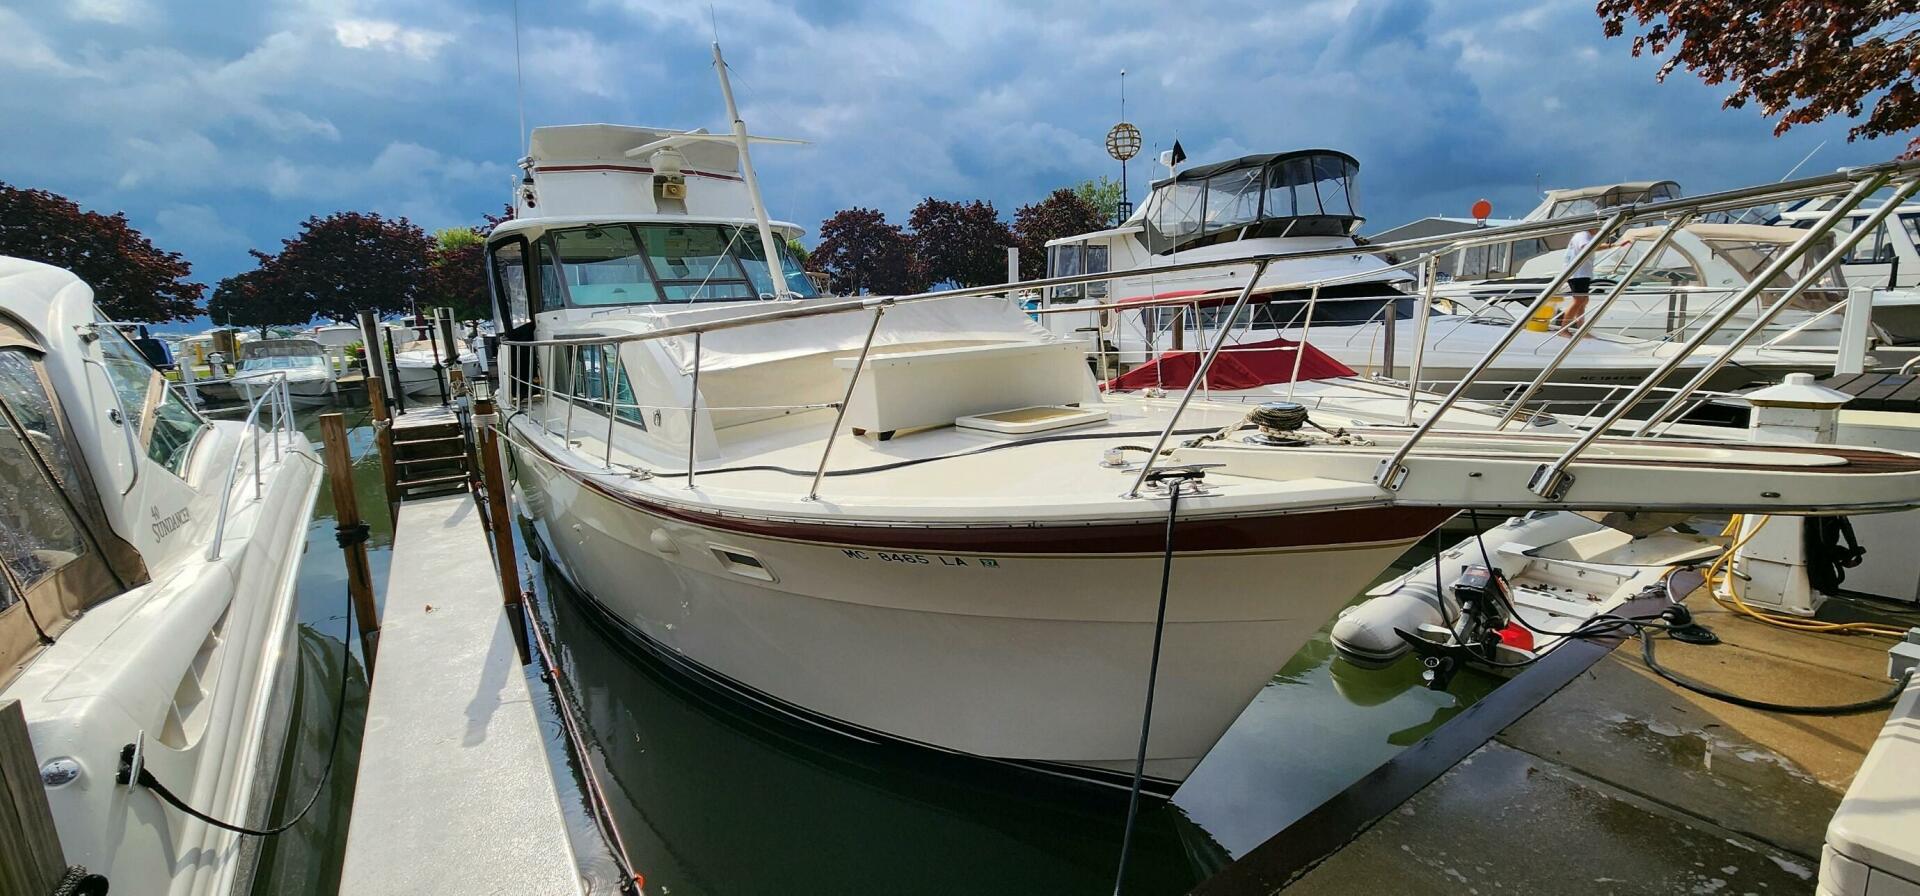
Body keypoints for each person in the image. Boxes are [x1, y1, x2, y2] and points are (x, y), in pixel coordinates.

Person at [1561, 228, 1596, 333]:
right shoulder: (1584, 235)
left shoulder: (1581, 235)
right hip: (1578, 274)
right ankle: (1563, 329)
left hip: (1580, 273)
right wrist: (1612, 245)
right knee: (1578, 301)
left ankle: (1581, 329)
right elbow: (1587, 248)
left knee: (1583, 301)